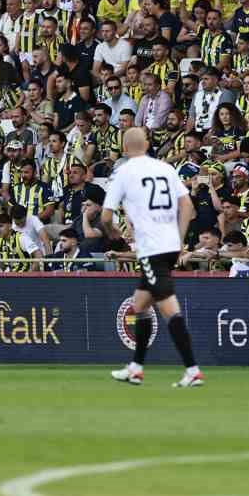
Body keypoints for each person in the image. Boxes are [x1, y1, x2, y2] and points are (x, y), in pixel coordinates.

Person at [101, 126, 204, 388]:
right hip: (169, 244)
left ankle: (192, 369)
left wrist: (115, 234)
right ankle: (135, 368)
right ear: (147, 145)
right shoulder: (165, 168)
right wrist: (180, 239)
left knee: (169, 307)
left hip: (152, 248)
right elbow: (187, 206)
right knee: (140, 305)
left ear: (124, 149)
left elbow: (105, 216)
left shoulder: (123, 171)